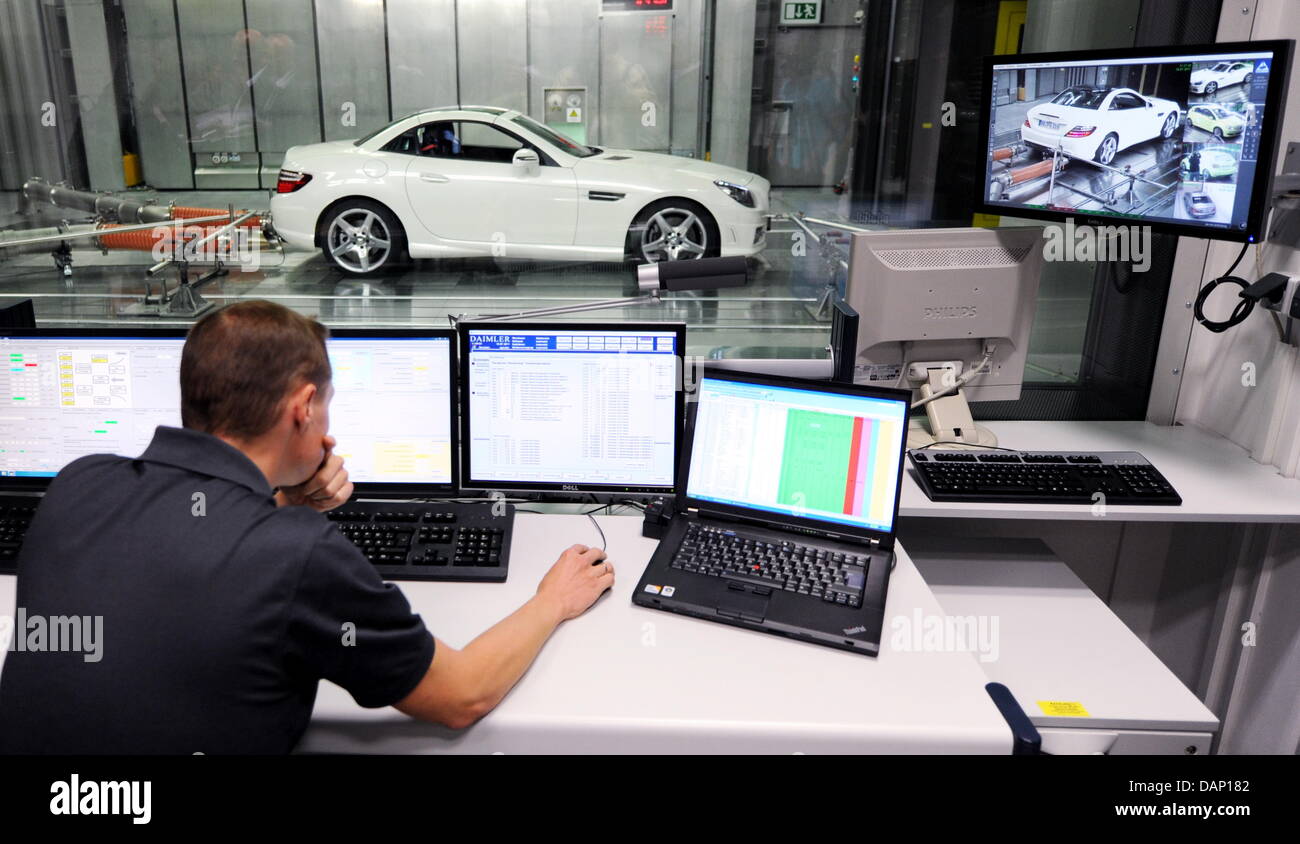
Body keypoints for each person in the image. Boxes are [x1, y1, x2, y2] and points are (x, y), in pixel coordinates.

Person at [0, 300, 614, 754]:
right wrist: (551, 600)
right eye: (326, 406)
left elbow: (195, 557)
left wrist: (285, 501)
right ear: (301, 409)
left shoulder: (78, 482)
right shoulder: (298, 554)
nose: (329, 431)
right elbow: (463, 697)